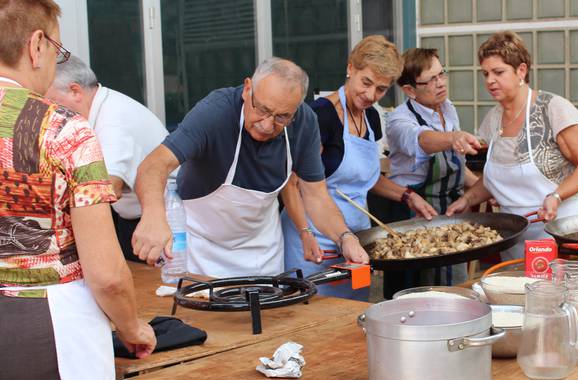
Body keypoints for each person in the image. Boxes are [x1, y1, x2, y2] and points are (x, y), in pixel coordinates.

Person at [0, 1, 155, 380]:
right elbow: (106, 274)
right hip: (47, 323)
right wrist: (132, 327)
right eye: (56, 48)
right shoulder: (63, 129)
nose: (54, 60)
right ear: (36, 46)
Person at [133, 57, 369, 278]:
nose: (267, 125)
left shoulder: (305, 122)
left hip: (262, 252)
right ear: (248, 89)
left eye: (282, 117)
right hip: (201, 249)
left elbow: (316, 196)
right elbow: (154, 165)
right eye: (262, 110)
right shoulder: (216, 112)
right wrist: (153, 216)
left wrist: (344, 237)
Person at [280, 36, 436, 301]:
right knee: (313, 321)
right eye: (366, 82)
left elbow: (366, 178)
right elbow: (292, 184)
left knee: (352, 319)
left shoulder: (371, 117)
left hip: (356, 242)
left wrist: (408, 196)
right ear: (351, 68)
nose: (370, 95)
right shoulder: (320, 116)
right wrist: (305, 233)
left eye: (381, 89)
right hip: (314, 243)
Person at [447, 31, 578, 259]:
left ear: (521, 70)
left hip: (561, 229)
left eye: (498, 72)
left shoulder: (553, 109)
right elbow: (498, 179)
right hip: (514, 233)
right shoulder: (493, 118)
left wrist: (556, 196)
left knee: (554, 291)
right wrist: (467, 200)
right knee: (514, 292)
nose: (490, 80)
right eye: (486, 73)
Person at [380, 47, 482, 299]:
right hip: (413, 210)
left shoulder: (448, 108)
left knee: (453, 289)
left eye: (441, 75)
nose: (440, 84)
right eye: (431, 80)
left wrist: (483, 188)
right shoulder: (398, 120)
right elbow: (422, 140)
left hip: (449, 208)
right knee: (416, 293)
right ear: (410, 90)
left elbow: (455, 163)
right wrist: (453, 137)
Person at [45, 55, 169, 262]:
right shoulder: (99, 108)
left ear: (75, 91)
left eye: (52, 103)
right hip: (129, 216)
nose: (50, 112)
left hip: (161, 222)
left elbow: (107, 187)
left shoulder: (113, 119)